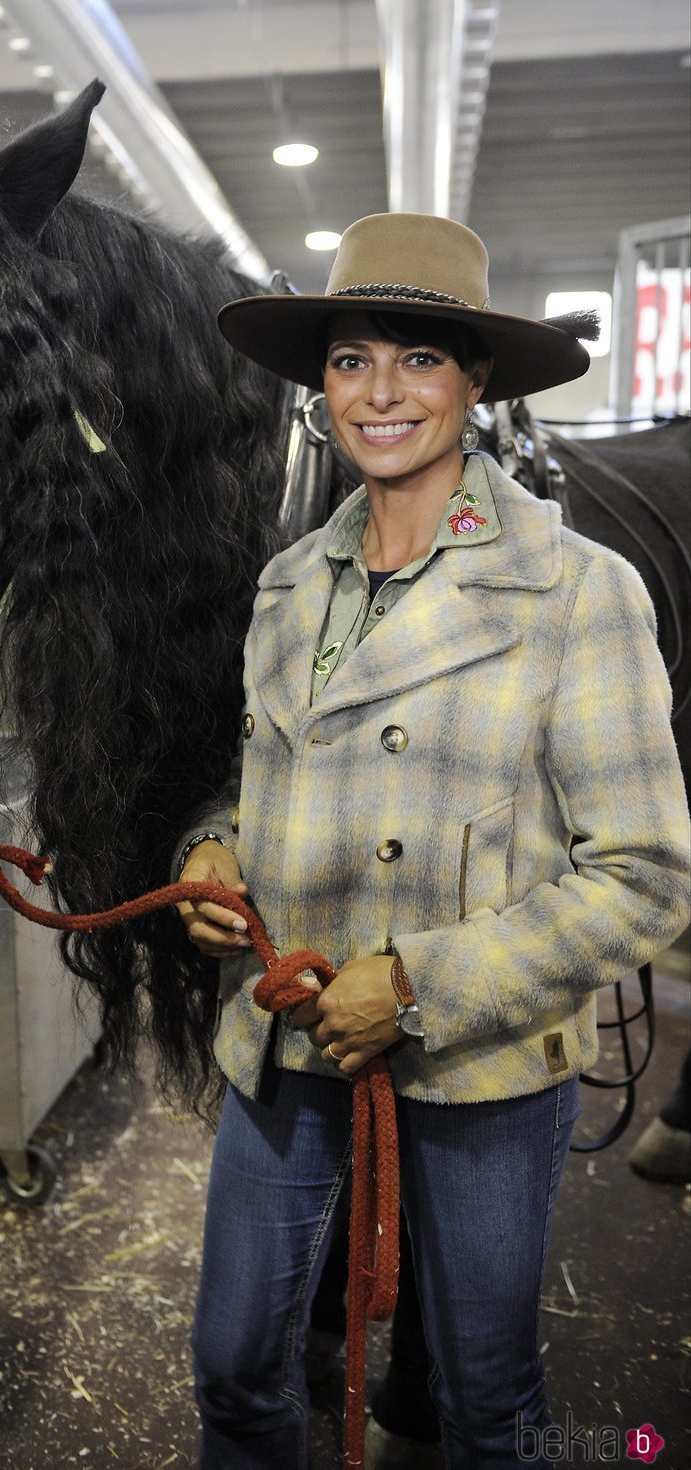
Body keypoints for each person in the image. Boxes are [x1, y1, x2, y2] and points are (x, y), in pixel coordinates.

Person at [172, 212, 691, 1470]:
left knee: (483, 1402)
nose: (380, 391)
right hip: (285, 1037)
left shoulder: (577, 592)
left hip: (479, 1068)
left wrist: (411, 987)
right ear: (321, 392)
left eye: (417, 359)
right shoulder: (288, 583)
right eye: (350, 359)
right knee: (235, 1367)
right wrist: (208, 847)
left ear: (474, 384)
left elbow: (643, 877)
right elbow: (261, 781)